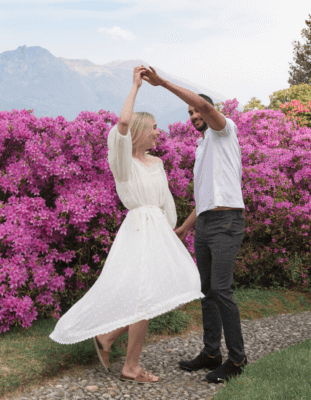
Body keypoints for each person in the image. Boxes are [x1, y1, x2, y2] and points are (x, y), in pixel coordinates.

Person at [49, 66, 204, 384]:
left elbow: (165, 203)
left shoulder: (157, 162)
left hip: (156, 230)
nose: (159, 133)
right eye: (155, 128)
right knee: (144, 297)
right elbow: (121, 124)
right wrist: (135, 86)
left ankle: (107, 338)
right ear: (141, 129)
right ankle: (131, 366)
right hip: (137, 231)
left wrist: (172, 233)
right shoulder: (122, 162)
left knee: (150, 294)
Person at [140, 66, 248, 383]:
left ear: (208, 111)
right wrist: (186, 227)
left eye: (196, 110)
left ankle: (238, 360)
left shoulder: (224, 131)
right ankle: (211, 353)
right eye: (189, 112)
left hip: (228, 222)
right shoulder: (202, 148)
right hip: (205, 222)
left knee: (221, 289)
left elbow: (204, 106)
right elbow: (204, 196)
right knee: (206, 291)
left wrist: (162, 83)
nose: (193, 115)